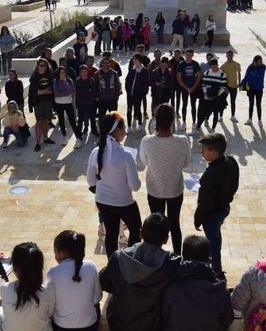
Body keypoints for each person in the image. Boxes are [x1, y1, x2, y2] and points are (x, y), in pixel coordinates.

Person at [99, 213, 180, 331]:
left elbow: (103, 283)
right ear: (166, 239)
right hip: (152, 327)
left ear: (140, 233)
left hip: (118, 325)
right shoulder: (171, 262)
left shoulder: (118, 257)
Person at [161, 234, 233, 331]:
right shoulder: (219, 288)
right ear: (209, 260)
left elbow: (164, 315)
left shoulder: (171, 284)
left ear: (183, 258)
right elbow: (228, 318)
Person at [86, 113, 142, 257]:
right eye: (123, 129)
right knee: (136, 231)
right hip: (124, 202)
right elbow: (135, 186)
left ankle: (113, 266)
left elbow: (90, 182)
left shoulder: (95, 152)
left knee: (111, 234)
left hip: (102, 201)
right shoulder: (126, 156)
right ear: (117, 131)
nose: (124, 132)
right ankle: (130, 262)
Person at [139, 104, 190, 254]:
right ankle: (177, 256)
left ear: (156, 121)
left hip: (155, 190)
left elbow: (144, 162)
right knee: (175, 224)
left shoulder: (147, 141)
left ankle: (154, 255)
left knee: (155, 225)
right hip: (175, 190)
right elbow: (186, 163)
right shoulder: (182, 141)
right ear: (172, 121)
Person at [195, 133, 239, 274]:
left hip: (212, 214)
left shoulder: (210, 174)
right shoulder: (231, 161)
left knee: (213, 243)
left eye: (204, 150)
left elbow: (204, 202)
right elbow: (234, 184)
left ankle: (216, 272)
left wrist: (197, 220)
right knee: (216, 236)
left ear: (214, 153)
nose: (201, 152)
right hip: (224, 208)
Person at [47, 231, 102, 331]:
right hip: (89, 329)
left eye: (55, 252)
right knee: (96, 306)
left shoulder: (52, 273)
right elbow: (97, 298)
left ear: (61, 253)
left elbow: (50, 307)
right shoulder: (91, 266)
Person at [1, 242, 55, 331]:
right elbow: (50, 314)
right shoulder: (48, 290)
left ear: (15, 268)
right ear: (40, 268)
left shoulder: (5, 288)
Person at [28, 59, 55, 152]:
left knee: (46, 121)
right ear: (38, 66)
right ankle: (38, 143)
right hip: (38, 103)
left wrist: (42, 92)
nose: (43, 67)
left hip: (48, 102)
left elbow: (51, 89)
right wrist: (45, 91)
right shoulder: (34, 77)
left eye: (44, 65)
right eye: (41, 65)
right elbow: (34, 92)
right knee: (39, 122)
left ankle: (46, 138)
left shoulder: (49, 76)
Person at [53, 66, 83, 148]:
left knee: (72, 121)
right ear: (58, 73)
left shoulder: (69, 80)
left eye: (64, 72)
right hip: (59, 103)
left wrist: (65, 82)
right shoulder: (55, 81)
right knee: (61, 121)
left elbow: (70, 92)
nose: (62, 74)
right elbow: (57, 93)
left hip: (68, 103)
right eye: (61, 72)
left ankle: (78, 139)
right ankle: (64, 137)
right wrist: (65, 92)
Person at [196, 59, 228, 133]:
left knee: (215, 113)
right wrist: (205, 93)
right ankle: (198, 127)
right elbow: (203, 84)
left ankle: (213, 129)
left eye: (215, 66)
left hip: (216, 97)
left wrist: (216, 95)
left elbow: (223, 87)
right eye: (212, 66)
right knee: (203, 112)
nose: (213, 68)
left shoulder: (222, 74)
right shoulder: (207, 73)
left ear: (217, 65)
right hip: (207, 96)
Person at [125, 54, 150, 133]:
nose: (133, 61)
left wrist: (143, 93)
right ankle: (129, 126)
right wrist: (128, 90)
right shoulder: (132, 70)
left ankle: (139, 124)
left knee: (138, 109)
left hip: (138, 95)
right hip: (130, 94)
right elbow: (127, 81)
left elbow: (146, 84)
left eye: (134, 59)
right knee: (129, 109)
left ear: (138, 60)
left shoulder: (144, 71)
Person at [176, 49, 201, 130]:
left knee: (193, 106)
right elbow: (179, 78)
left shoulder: (195, 64)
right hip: (184, 88)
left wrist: (193, 87)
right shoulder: (181, 64)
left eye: (190, 55)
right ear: (185, 55)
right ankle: (184, 122)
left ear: (192, 55)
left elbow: (198, 76)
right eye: (187, 55)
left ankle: (194, 122)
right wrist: (186, 88)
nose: (189, 57)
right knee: (184, 105)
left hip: (194, 88)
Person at [240, 55, 266, 126]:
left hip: (259, 89)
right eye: (259, 61)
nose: (260, 63)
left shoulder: (263, 67)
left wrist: (254, 68)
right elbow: (246, 76)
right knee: (251, 104)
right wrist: (241, 83)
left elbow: (259, 74)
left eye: (261, 61)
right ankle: (250, 119)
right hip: (251, 89)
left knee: (258, 104)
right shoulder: (250, 67)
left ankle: (259, 120)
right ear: (255, 61)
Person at [75, 65, 99, 137]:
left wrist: (89, 92)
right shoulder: (78, 81)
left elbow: (93, 91)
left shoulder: (91, 80)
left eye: (85, 71)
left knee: (92, 119)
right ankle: (79, 133)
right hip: (81, 104)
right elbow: (79, 93)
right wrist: (88, 91)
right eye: (82, 72)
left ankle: (94, 131)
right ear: (80, 72)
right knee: (80, 120)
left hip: (91, 103)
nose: (84, 73)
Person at [220, 51, 241, 123]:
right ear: (226, 56)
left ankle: (233, 116)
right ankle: (221, 116)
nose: (229, 57)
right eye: (228, 55)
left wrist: (239, 83)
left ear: (233, 56)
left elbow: (239, 73)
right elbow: (220, 74)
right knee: (222, 101)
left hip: (234, 86)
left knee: (233, 101)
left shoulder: (237, 64)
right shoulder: (224, 66)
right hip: (226, 86)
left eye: (231, 55)